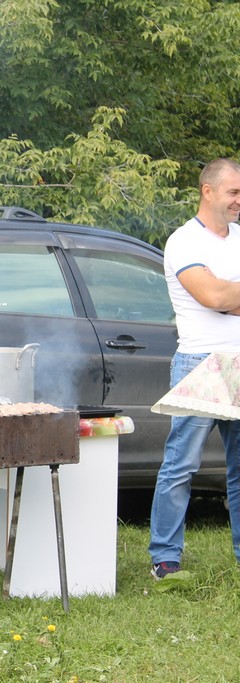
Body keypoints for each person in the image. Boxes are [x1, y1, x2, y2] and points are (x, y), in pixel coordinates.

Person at [150, 158, 240, 579]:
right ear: (208, 191)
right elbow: (213, 297)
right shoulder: (184, 242)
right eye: (233, 192)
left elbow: (226, 296)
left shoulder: (239, 238)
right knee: (181, 467)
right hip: (200, 364)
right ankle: (165, 559)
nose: (239, 200)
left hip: (238, 363)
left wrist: (227, 295)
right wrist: (223, 296)